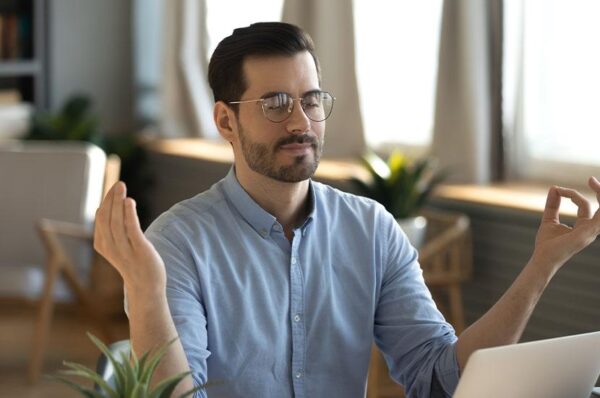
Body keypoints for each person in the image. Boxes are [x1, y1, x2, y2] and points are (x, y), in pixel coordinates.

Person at [93, 22, 600, 398]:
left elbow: (440, 376)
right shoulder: (179, 241)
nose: (300, 122)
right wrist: (145, 293)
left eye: (310, 99)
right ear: (226, 121)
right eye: (274, 103)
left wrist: (542, 266)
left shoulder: (371, 229)